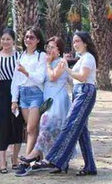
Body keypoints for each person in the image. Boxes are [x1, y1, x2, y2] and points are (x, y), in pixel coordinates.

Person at [39, 31, 99, 176]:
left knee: (70, 125)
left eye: (78, 41)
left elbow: (83, 77)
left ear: (85, 43)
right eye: (74, 42)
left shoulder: (88, 58)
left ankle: (54, 158)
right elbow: (74, 81)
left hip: (85, 91)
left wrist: (66, 69)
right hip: (79, 91)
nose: (75, 44)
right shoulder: (81, 58)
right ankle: (90, 166)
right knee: (81, 131)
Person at [15, 36, 74, 176]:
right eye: (48, 47)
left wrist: (48, 64)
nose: (49, 50)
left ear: (59, 50)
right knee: (56, 130)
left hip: (58, 99)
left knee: (47, 124)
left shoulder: (61, 62)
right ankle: (60, 161)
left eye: (52, 47)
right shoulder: (48, 61)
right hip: (47, 100)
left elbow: (53, 77)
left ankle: (34, 154)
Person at [0, 28, 24, 173]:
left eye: (8, 39)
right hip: (2, 91)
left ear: (13, 40)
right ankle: (2, 161)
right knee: (2, 125)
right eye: (3, 39)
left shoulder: (20, 56)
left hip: (18, 92)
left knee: (17, 125)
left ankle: (15, 158)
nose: (5, 42)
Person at [11, 27, 47, 163]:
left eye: (32, 37)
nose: (28, 40)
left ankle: (26, 158)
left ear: (38, 40)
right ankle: (37, 159)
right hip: (23, 94)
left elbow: (40, 78)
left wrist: (26, 72)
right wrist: (14, 100)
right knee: (31, 128)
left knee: (31, 128)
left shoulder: (41, 56)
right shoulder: (21, 56)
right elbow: (16, 80)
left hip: (36, 94)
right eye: (26, 37)